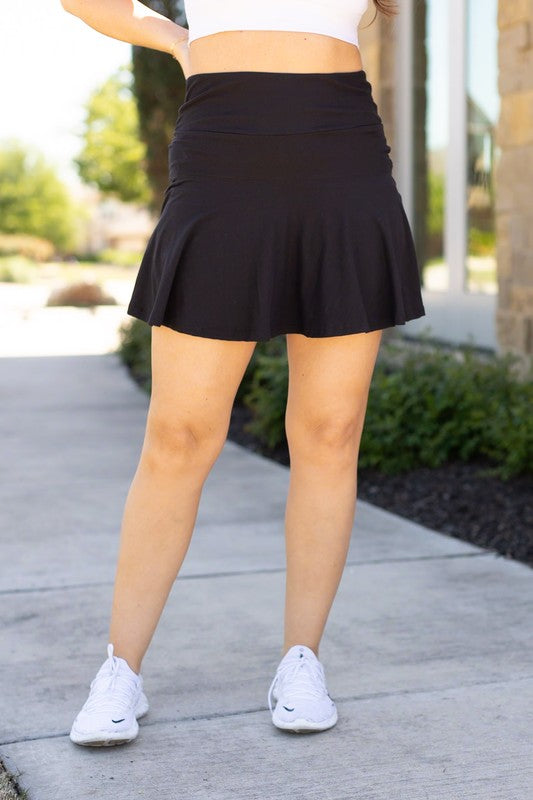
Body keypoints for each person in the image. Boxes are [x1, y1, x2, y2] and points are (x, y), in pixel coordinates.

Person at [62, 0, 426, 746]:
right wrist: (175, 39)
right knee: (179, 435)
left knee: (330, 432)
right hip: (222, 147)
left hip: (341, 150)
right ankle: (120, 669)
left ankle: (301, 661)